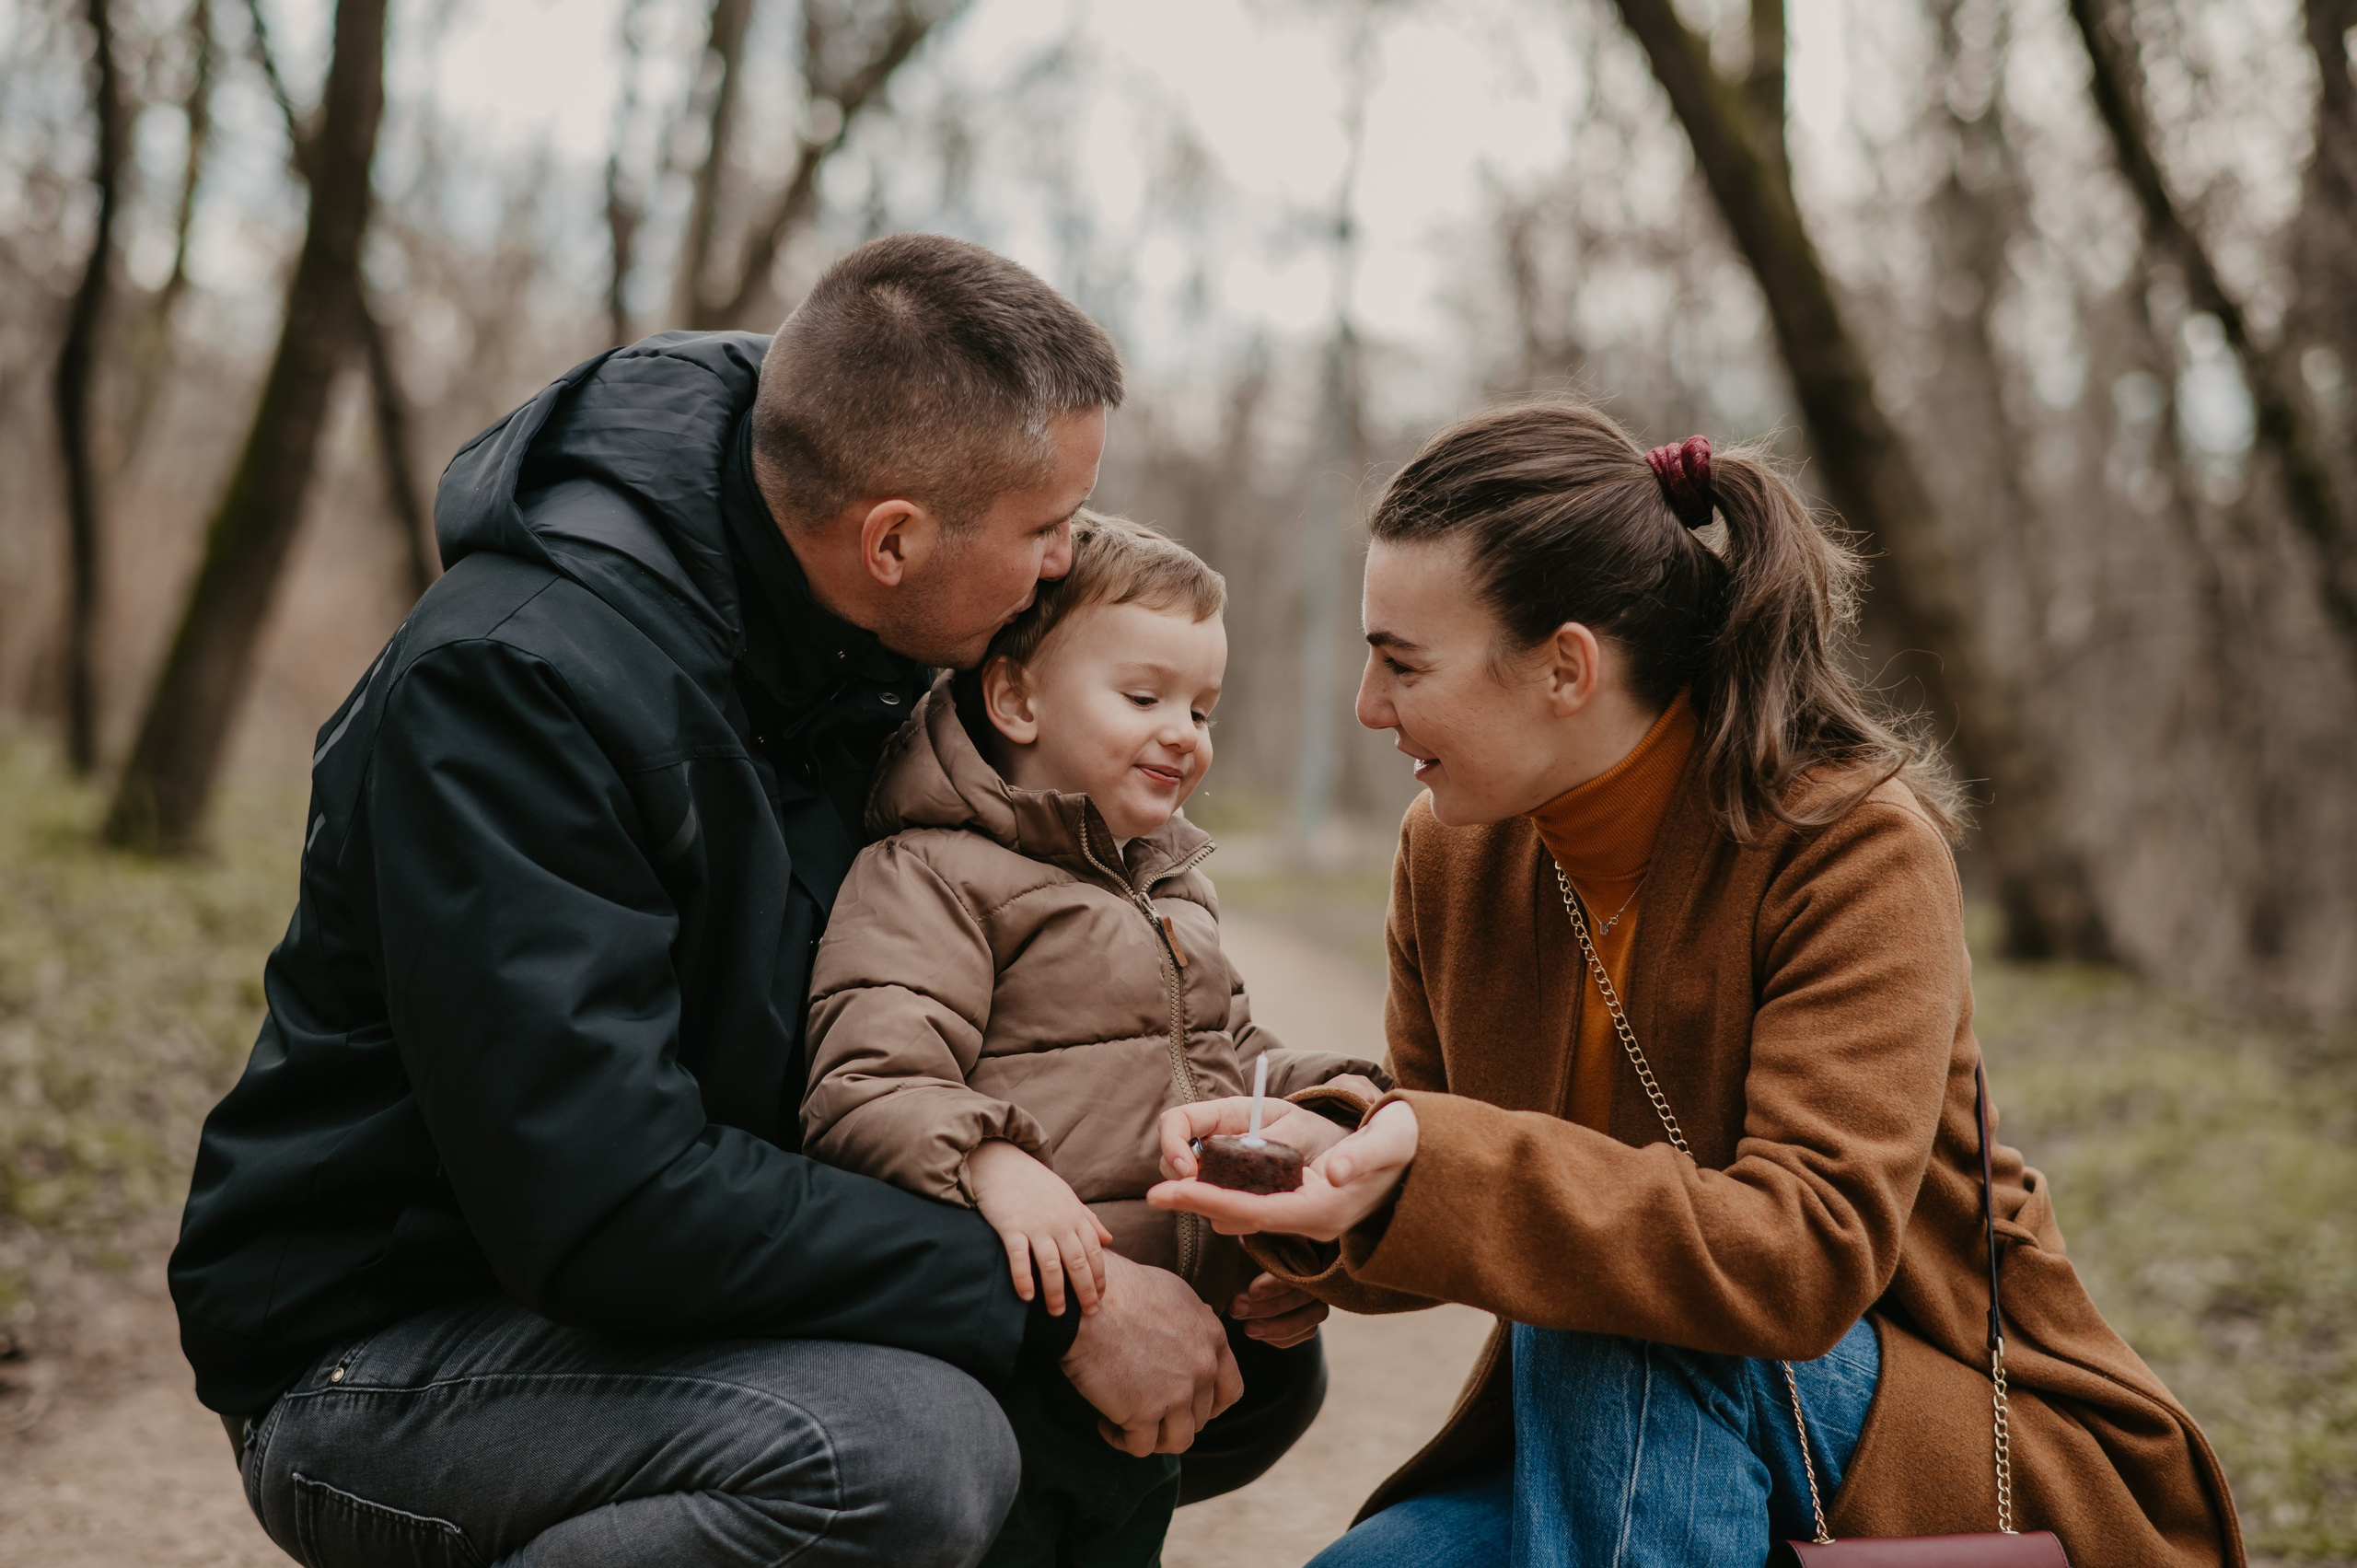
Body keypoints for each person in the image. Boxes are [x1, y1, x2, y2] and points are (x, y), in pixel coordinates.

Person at [167, 234, 1329, 1568]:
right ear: (891, 536)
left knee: (1230, 1363)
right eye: (1044, 530)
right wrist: (1063, 1307)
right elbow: (608, 1206)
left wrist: (1211, 1218)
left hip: (677, 1313)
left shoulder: (881, 630)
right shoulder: (512, 686)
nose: (1062, 566)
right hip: (389, 1352)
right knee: (894, 1448)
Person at [1149, 403, 2247, 1568]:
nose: (1370, 705)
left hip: (1957, 1446)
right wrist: (1331, 1176)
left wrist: (1431, 1157)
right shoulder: (1453, 852)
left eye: (1401, 662)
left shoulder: (1852, 846)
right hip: (1629, 1436)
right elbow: (1453, 1190)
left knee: (1618, 1318)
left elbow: (1801, 1253)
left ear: (1566, 666)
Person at [801, 512, 1389, 1567]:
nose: (1185, 733)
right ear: (1016, 696)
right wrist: (997, 1164)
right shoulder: (934, 874)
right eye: (1144, 696)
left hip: (1149, 1380)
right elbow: (865, 1083)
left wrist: (1336, 1118)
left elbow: (1235, 1055)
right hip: (1025, 1357)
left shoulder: (1169, 883)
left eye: (1203, 708)